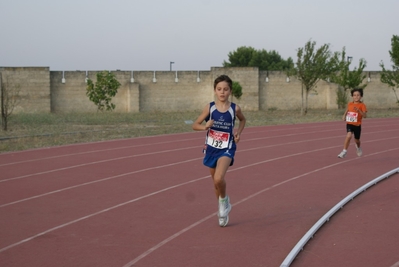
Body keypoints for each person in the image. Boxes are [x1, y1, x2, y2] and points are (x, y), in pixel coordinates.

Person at [192, 75, 246, 227]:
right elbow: (195, 124)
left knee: (218, 178)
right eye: (219, 89)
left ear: (230, 91)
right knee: (216, 184)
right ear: (215, 91)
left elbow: (243, 120)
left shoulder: (235, 109)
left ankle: (224, 203)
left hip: (227, 147)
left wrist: (238, 133)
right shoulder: (210, 108)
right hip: (211, 148)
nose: (222, 92)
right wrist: (205, 126)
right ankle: (222, 206)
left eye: (225, 89)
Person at [337, 88, 367, 158]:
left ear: (361, 96)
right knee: (349, 136)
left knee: (357, 140)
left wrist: (359, 111)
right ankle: (344, 151)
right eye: (354, 95)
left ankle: (358, 147)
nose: (356, 97)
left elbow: (365, 116)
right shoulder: (350, 104)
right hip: (349, 124)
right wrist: (344, 115)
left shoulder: (362, 105)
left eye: (358, 95)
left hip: (357, 125)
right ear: (352, 96)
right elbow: (348, 109)